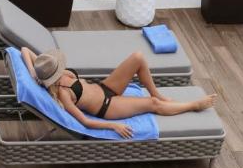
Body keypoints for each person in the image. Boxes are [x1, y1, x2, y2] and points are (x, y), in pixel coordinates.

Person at [22, 48, 216, 139]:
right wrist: (114, 125)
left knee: (138, 57)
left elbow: (24, 50)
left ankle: (157, 93)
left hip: (105, 87)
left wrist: (33, 73)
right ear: (53, 78)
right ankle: (193, 105)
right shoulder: (64, 95)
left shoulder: (49, 70)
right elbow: (85, 122)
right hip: (107, 107)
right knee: (152, 104)